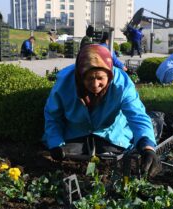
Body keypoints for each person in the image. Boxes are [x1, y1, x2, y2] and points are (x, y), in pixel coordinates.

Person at [43, 44, 160, 176]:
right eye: (89, 78)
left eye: (100, 78)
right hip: (76, 129)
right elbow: (53, 116)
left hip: (110, 131)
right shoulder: (64, 83)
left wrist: (148, 147)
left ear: (109, 75)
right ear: (80, 76)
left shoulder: (122, 84)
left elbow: (137, 115)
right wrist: (55, 143)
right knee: (67, 156)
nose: (95, 85)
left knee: (111, 155)